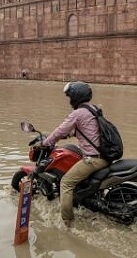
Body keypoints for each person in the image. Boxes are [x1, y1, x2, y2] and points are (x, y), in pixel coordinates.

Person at [40, 81, 109, 227]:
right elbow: (86, 130)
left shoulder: (77, 113)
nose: (69, 99)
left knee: (66, 183)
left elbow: (60, 131)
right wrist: (67, 135)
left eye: (70, 96)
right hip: (105, 156)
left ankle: (67, 221)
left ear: (75, 97)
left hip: (93, 160)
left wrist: (45, 143)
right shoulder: (93, 109)